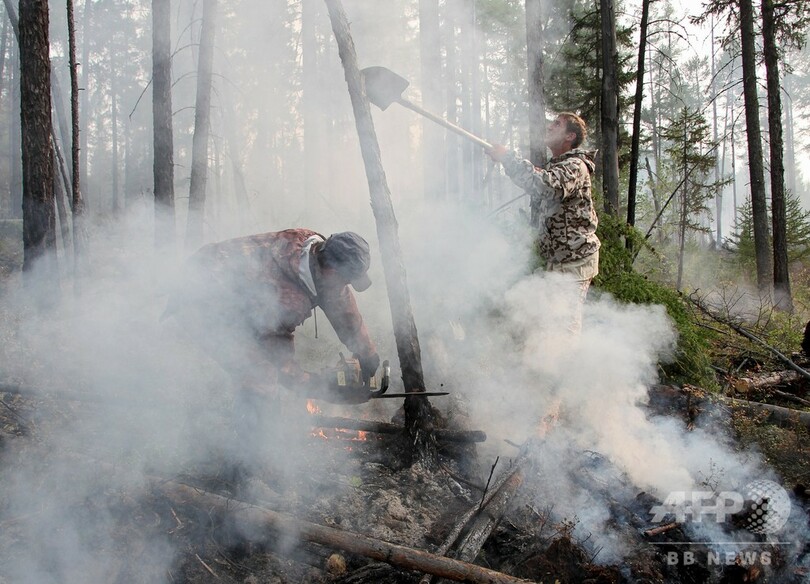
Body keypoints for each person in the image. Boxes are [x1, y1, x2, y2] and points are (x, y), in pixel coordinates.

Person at [163, 229, 380, 402]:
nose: (346, 284)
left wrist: (367, 353)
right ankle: (253, 447)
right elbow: (278, 361)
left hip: (229, 289)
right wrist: (322, 388)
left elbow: (343, 306)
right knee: (261, 375)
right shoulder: (287, 298)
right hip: (200, 301)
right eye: (346, 278)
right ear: (330, 269)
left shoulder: (309, 246)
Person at [486, 112, 600, 332]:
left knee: (564, 328)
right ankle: (548, 364)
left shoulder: (575, 166)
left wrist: (508, 158)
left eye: (557, 124)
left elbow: (546, 186)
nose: (549, 127)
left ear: (570, 136)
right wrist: (505, 161)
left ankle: (567, 366)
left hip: (574, 261)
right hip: (559, 261)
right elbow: (537, 179)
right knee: (548, 326)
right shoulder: (559, 166)